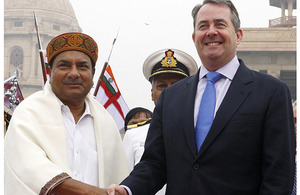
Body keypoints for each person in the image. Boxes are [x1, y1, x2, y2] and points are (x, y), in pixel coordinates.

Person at [108, 0, 296, 194]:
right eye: (203, 26)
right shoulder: (171, 97)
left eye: (220, 24)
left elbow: (278, 176)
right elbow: (155, 163)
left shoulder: (270, 92)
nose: (211, 32)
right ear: (194, 37)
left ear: (238, 35)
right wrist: (128, 189)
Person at [4, 32, 129, 195]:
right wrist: (95, 193)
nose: (74, 73)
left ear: (92, 74)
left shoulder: (106, 122)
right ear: (50, 72)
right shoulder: (28, 113)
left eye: (82, 66)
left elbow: (118, 178)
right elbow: (32, 171)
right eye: (64, 66)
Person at [122, 48, 198, 195]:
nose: (169, 92)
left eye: (176, 85)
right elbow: (124, 179)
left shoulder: (202, 131)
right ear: (152, 94)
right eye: (162, 86)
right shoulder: (134, 135)